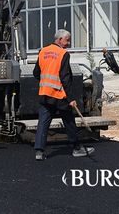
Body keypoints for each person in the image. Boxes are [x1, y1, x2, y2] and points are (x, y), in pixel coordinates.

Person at [33, 29, 94, 161]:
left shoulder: (42, 51)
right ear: (59, 40)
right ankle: (76, 148)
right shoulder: (63, 54)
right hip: (59, 95)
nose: (69, 43)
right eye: (67, 40)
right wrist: (71, 98)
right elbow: (65, 78)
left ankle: (39, 151)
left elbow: (36, 72)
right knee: (69, 121)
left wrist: (45, 83)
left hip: (44, 93)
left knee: (43, 123)